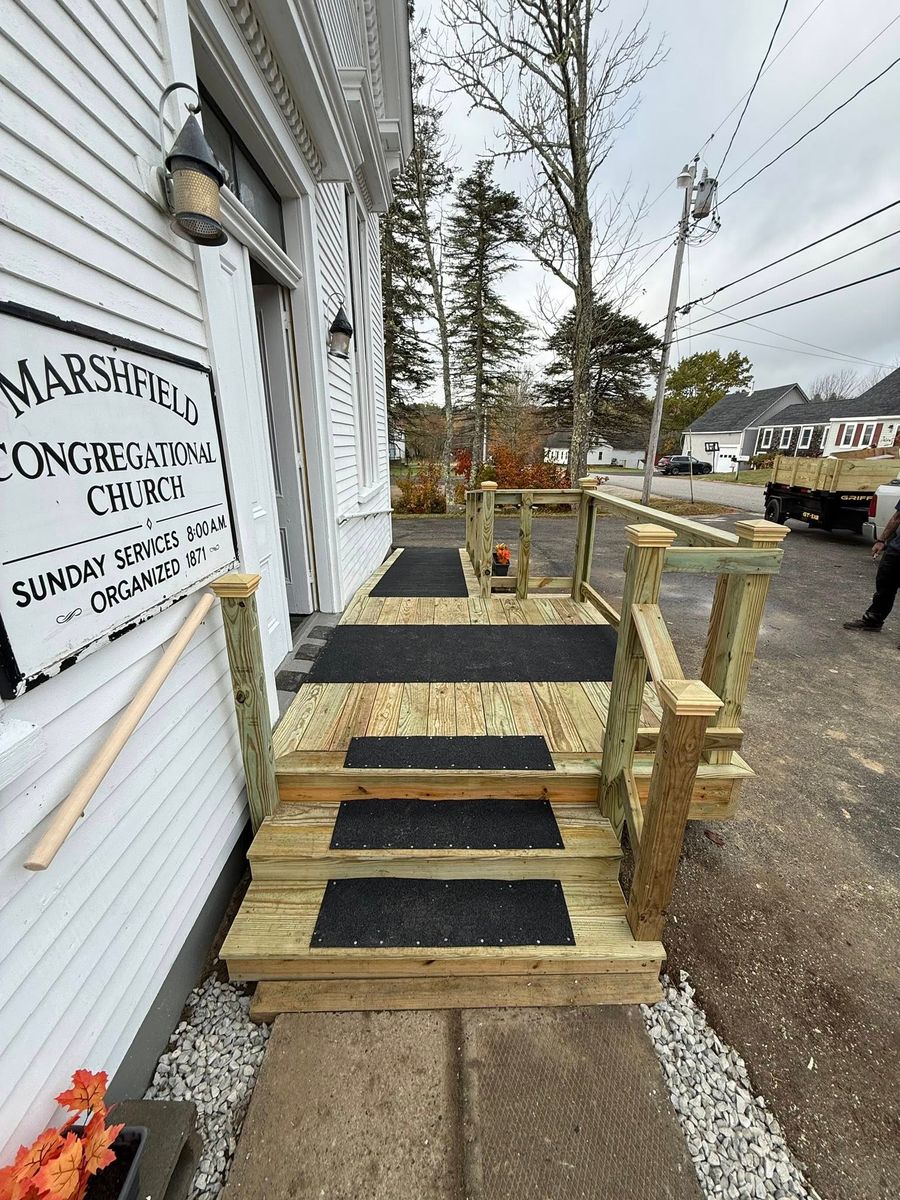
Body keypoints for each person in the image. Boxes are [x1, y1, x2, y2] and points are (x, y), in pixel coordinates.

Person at [843, 498, 900, 642]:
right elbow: (897, 517)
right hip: (897, 549)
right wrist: (881, 540)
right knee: (884, 585)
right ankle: (873, 620)